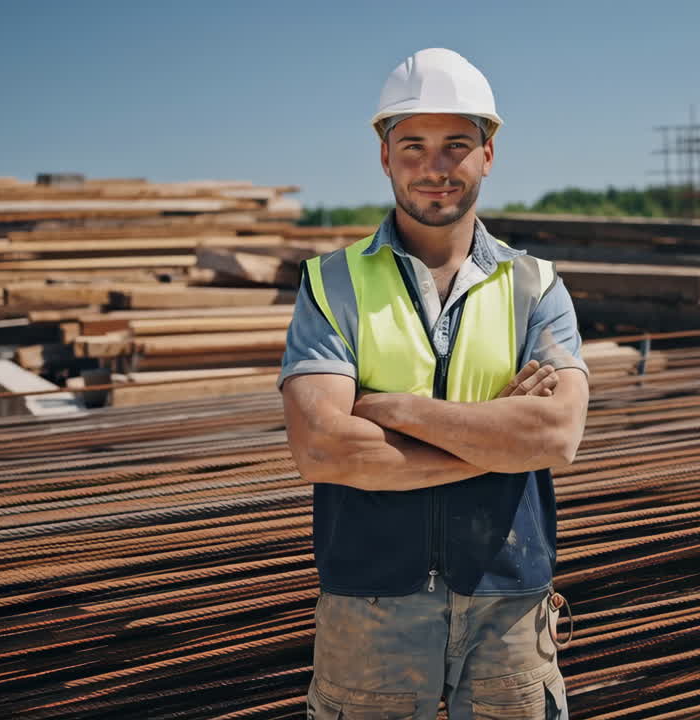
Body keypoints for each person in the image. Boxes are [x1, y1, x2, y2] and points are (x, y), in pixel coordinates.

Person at [279, 47, 589, 719]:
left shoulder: (536, 285)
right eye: (412, 145)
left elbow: (556, 435)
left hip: (509, 604)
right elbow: (324, 449)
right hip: (370, 605)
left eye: (457, 144)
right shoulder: (332, 285)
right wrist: (493, 443)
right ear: (385, 156)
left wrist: (397, 410)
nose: (435, 166)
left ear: (488, 154)